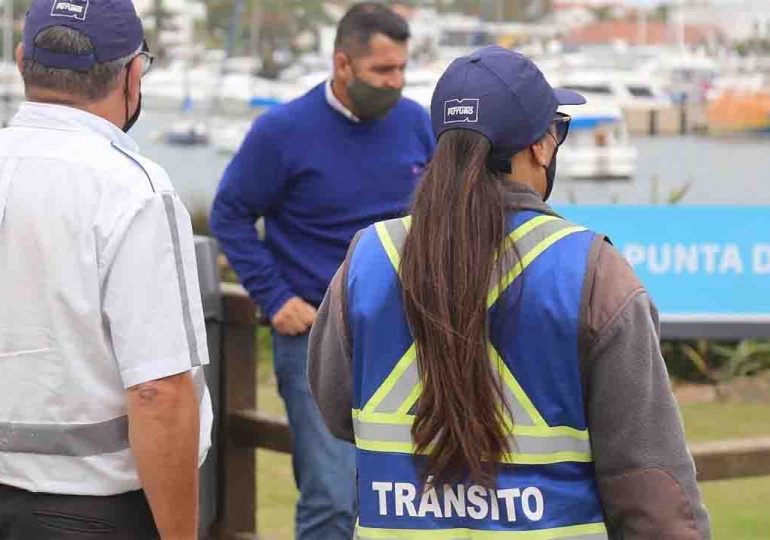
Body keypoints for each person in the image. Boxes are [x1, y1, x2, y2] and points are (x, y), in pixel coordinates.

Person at [308, 46, 711, 539]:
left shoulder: (369, 259)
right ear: (542, 146)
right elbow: (651, 483)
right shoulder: (590, 272)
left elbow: (336, 409)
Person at [210, 3, 434, 538]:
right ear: (342, 63)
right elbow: (230, 213)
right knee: (332, 500)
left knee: (406, 496)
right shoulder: (282, 131)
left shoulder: (417, 124)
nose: (396, 82)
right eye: (383, 71)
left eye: (402, 68)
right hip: (316, 341)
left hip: (408, 341)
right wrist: (274, 296)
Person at [0, 0, 212, 538]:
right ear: (133, 73)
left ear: (23, 59)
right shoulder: (133, 189)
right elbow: (159, 390)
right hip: (91, 510)